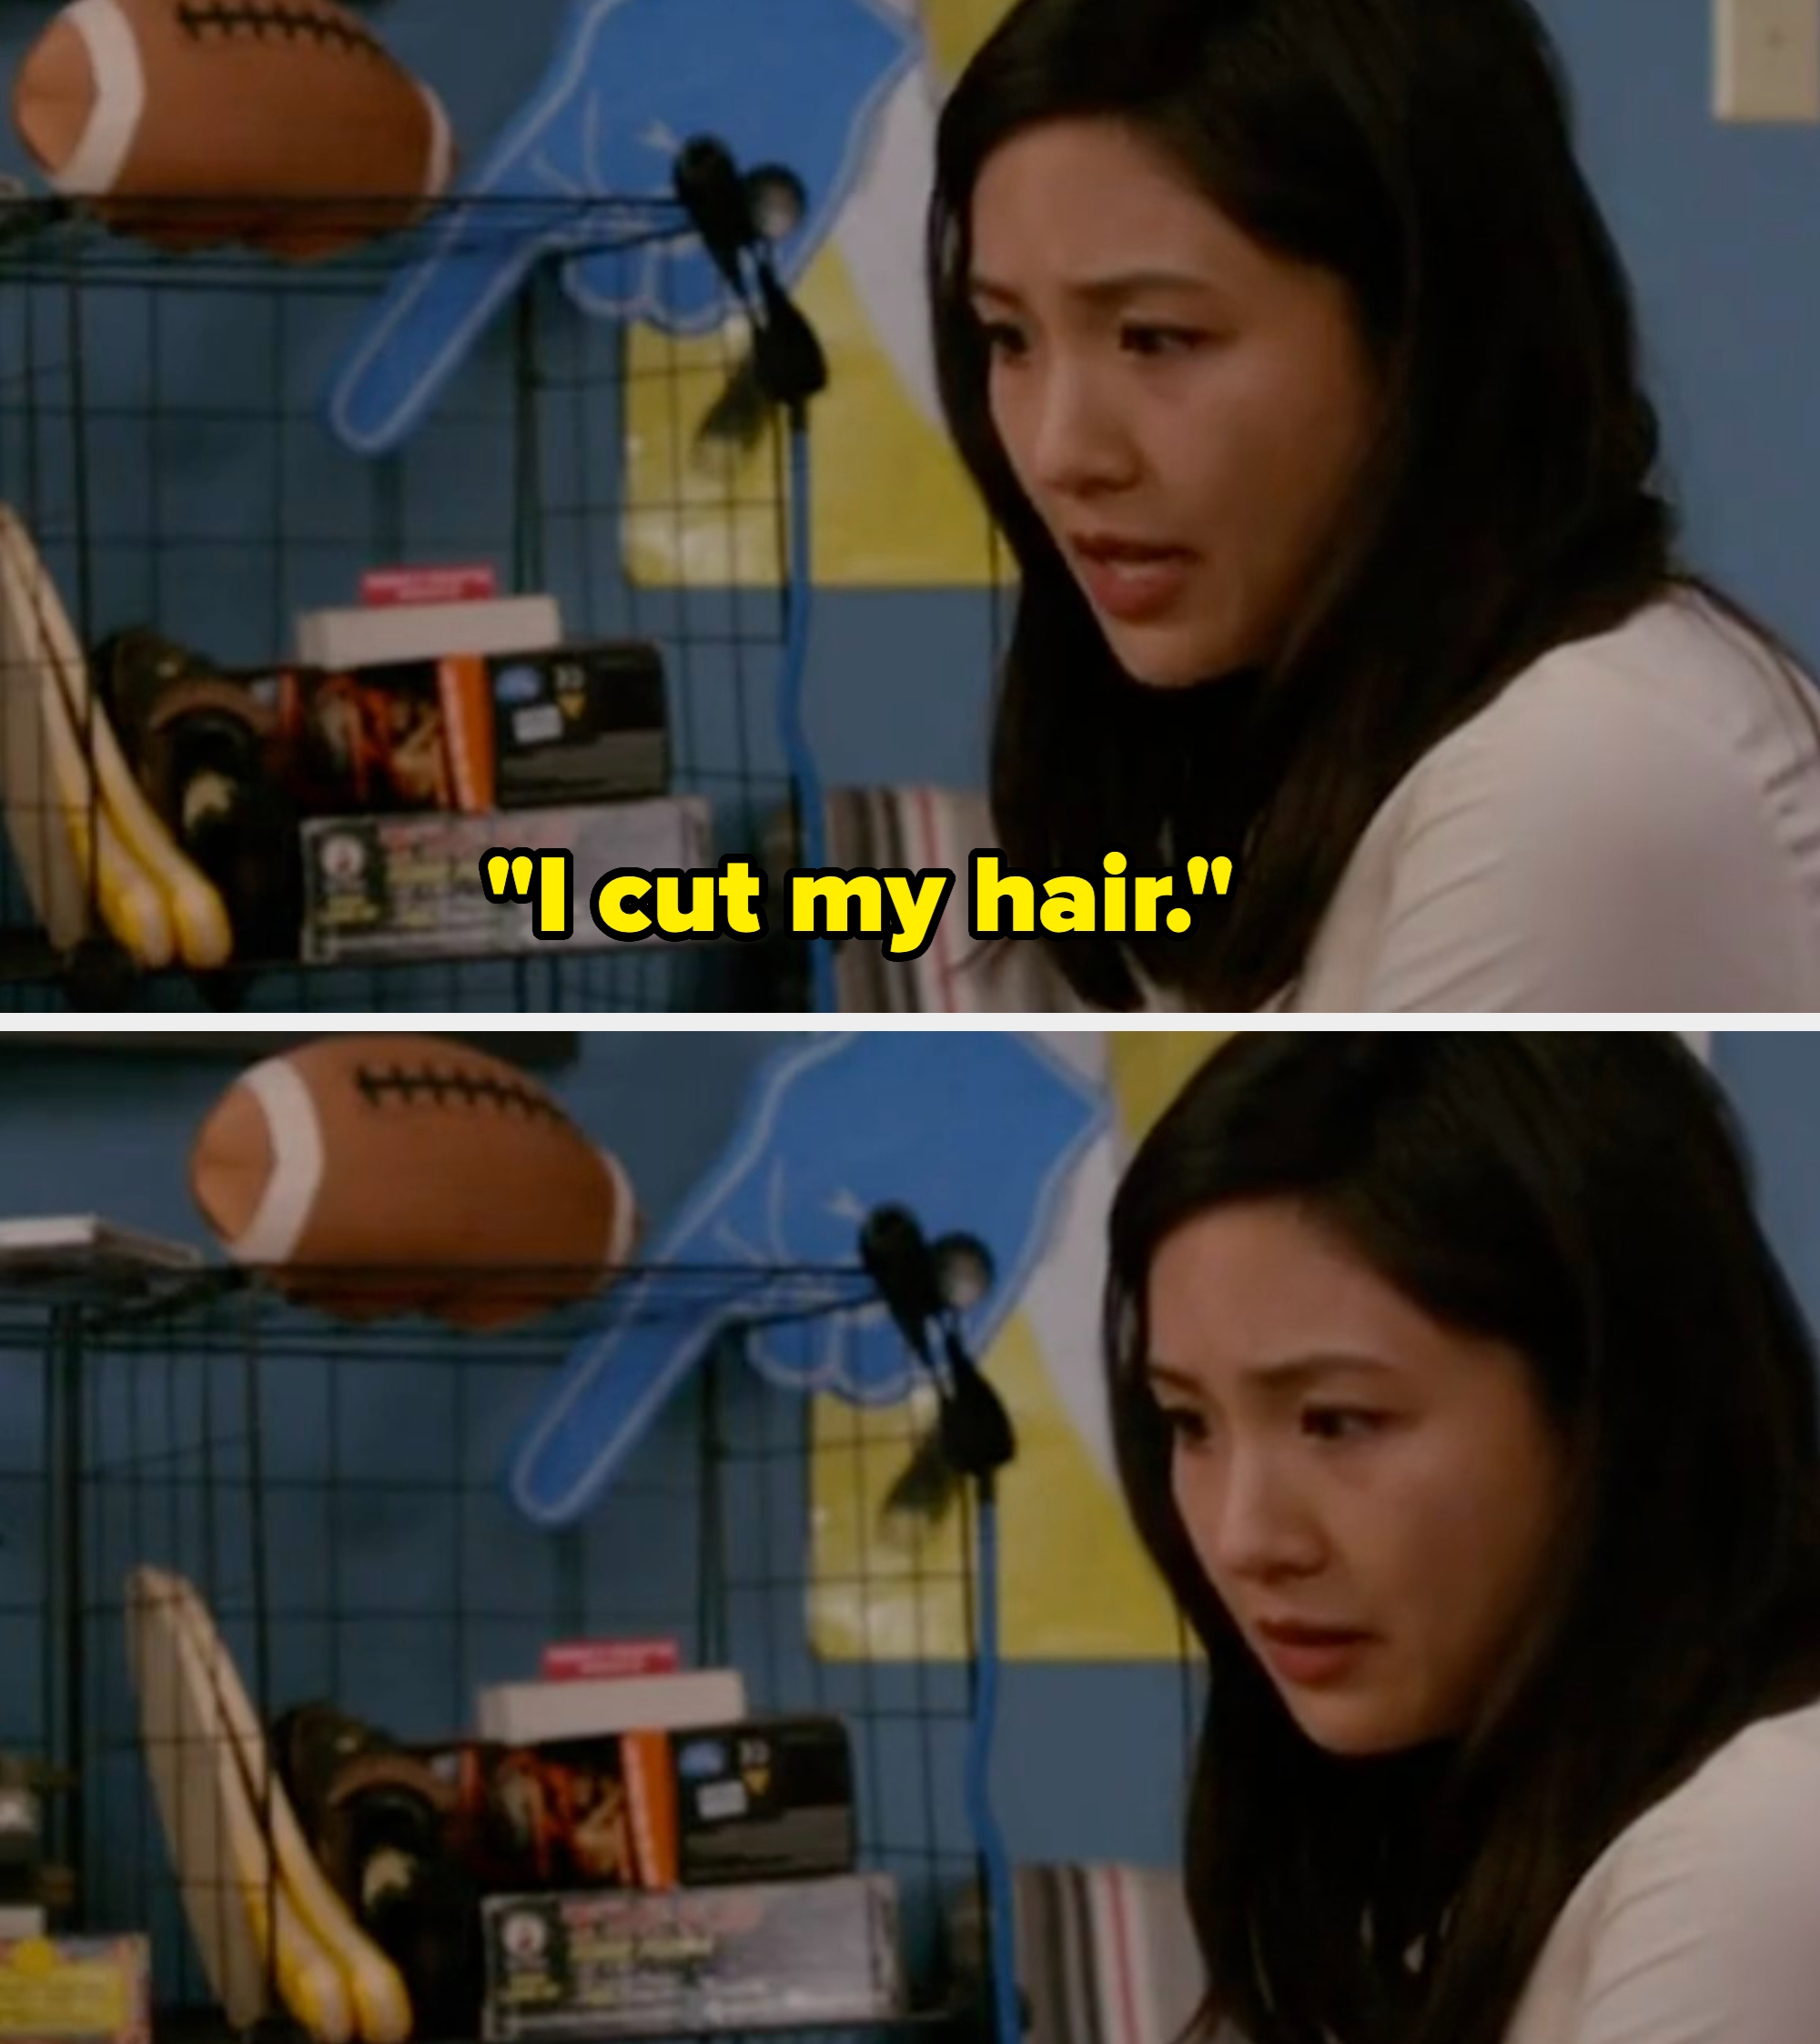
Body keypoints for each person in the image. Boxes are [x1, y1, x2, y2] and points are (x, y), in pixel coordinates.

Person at [927, 0, 1820, 1012]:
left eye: (1154, 336)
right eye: (1007, 338)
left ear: (1425, 336)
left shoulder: (1576, 769)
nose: (1058, 453)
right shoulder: (1328, 733)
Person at [1100, 1032, 1820, 2044]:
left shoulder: (1753, 1847)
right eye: (1188, 1423)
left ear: (1611, 1406)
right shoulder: (1478, 1854)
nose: (1242, 1535)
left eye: (1336, 1419)